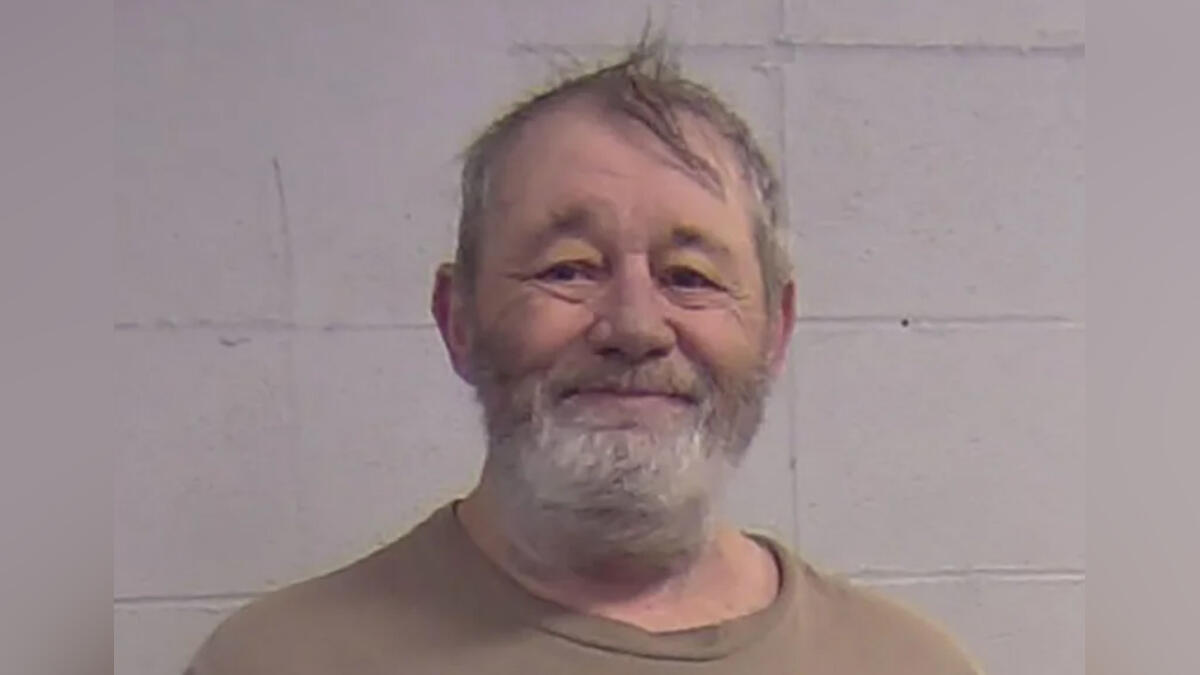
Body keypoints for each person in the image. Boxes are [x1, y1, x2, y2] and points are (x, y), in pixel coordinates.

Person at [187, 38, 984, 675]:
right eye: (569, 269)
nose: (634, 326)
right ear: (458, 319)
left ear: (776, 329)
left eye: (689, 277)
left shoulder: (904, 663)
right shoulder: (281, 660)